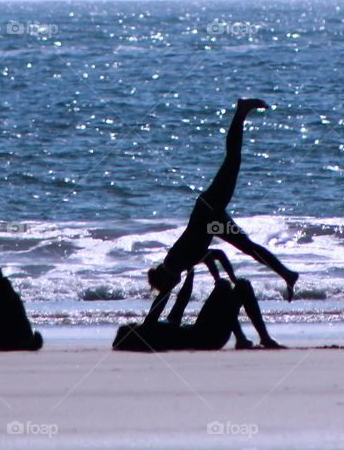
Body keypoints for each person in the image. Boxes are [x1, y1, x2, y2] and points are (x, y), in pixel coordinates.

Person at [145, 98, 299, 324]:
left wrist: (221, 277)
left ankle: (241, 112)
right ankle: (288, 274)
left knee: (233, 159)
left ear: (166, 280)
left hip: (208, 211)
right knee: (248, 247)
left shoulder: (174, 263)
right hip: (211, 221)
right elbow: (212, 255)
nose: (172, 289)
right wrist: (223, 277)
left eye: (168, 288)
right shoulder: (177, 264)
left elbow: (204, 258)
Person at [114, 266, 283, 351]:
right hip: (206, 337)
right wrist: (168, 287)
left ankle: (256, 339)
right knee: (224, 286)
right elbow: (159, 307)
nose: (133, 324)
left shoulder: (162, 330)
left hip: (209, 336)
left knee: (242, 286)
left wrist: (190, 273)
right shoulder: (150, 330)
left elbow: (181, 302)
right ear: (133, 333)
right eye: (130, 326)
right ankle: (245, 339)